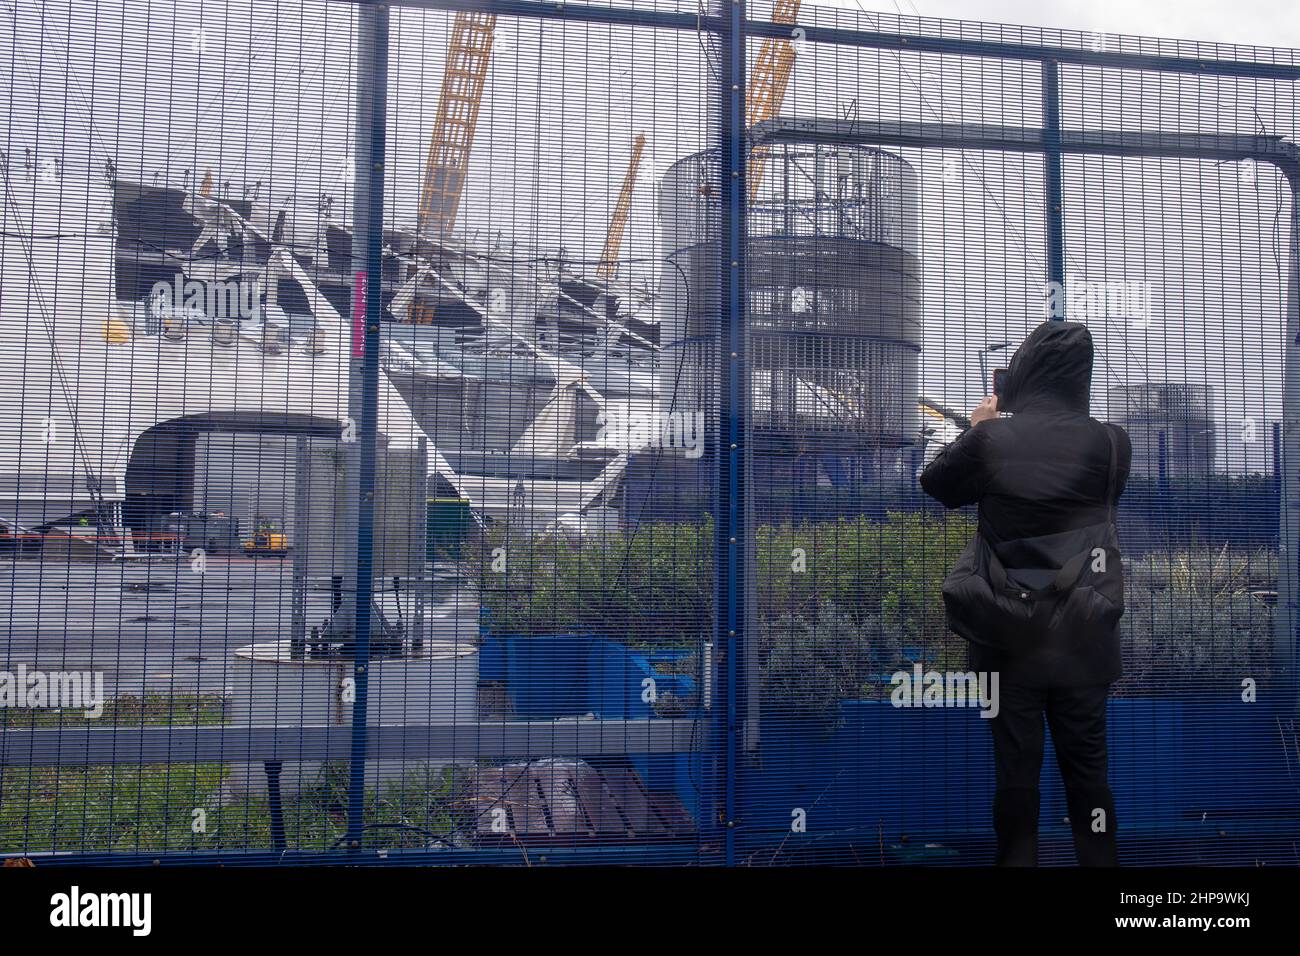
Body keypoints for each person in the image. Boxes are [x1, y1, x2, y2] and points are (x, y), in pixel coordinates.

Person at [919, 319, 1132, 866]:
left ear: (1026, 370)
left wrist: (976, 427)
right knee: (1089, 778)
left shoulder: (992, 439)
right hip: (1083, 640)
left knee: (1016, 778)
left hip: (1006, 641)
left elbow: (937, 485)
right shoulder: (1112, 443)